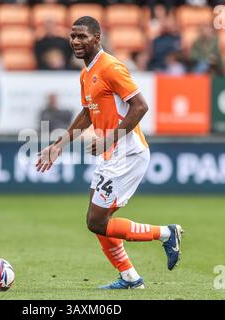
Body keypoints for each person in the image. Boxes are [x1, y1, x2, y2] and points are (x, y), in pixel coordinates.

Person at [36, 16, 184, 290]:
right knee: (99, 221)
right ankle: (130, 278)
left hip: (127, 153)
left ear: (96, 38)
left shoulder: (111, 67)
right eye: (73, 36)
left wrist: (110, 139)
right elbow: (87, 114)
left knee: (96, 221)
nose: (76, 41)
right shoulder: (86, 74)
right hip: (112, 154)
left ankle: (166, 233)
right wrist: (59, 144)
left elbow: (140, 106)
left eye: (82, 36)